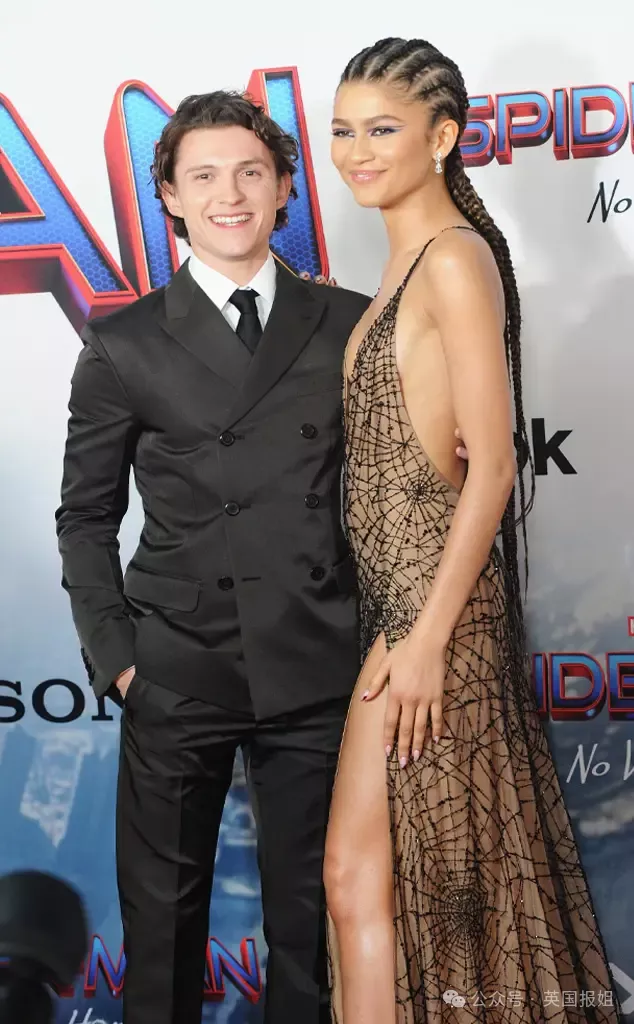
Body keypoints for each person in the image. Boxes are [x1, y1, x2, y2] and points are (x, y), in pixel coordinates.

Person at [323, 37, 622, 1024]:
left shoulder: (453, 260)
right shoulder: (409, 259)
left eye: (382, 129)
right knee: (369, 881)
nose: (356, 152)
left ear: (444, 137)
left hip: (436, 616)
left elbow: (492, 468)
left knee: (426, 890)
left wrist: (426, 641)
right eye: (342, 131)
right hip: (402, 607)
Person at [55, 90, 371, 1024]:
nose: (228, 195)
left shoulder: (350, 322)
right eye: (204, 177)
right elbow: (85, 517)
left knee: (311, 930)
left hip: (318, 662)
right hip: (178, 666)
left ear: (283, 189)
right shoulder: (123, 342)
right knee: (162, 932)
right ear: (171, 197)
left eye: (249, 173)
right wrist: (119, 658)